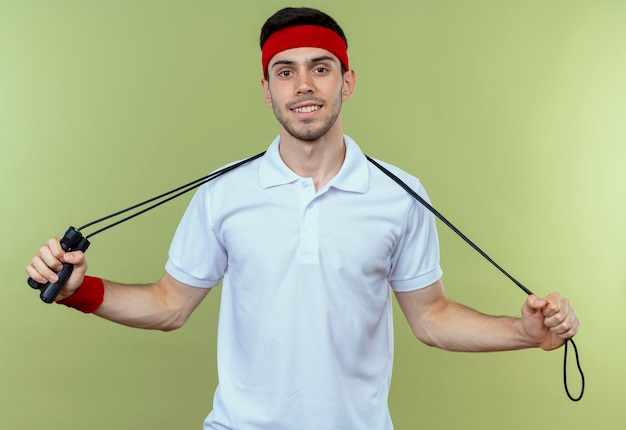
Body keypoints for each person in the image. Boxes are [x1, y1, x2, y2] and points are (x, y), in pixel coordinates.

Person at [26, 7, 580, 430]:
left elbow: (431, 318)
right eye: (285, 72)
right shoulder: (224, 191)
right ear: (267, 90)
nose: (304, 86)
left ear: (348, 81)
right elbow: (169, 306)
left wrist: (525, 333)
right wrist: (79, 289)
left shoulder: (400, 194)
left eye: (321, 68)